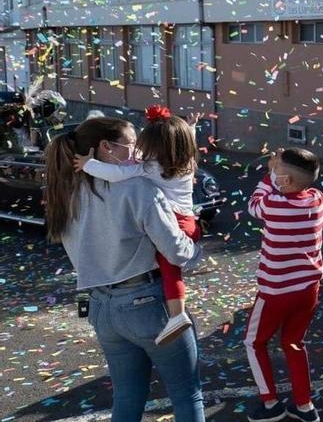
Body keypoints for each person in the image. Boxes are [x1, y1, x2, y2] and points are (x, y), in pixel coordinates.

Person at [44, 117, 204, 421]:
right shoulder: (139, 189)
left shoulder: (65, 190)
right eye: (131, 145)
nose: (139, 153)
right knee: (187, 394)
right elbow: (177, 252)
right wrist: (198, 246)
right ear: (107, 147)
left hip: (100, 306)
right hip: (147, 304)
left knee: (127, 397)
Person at [73, 105, 202, 345]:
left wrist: (88, 165)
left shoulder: (145, 170)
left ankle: (177, 314)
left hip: (102, 298)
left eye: (141, 145)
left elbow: (115, 173)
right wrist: (191, 129)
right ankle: (178, 314)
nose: (137, 152)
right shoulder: (185, 162)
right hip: (185, 222)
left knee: (168, 266)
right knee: (171, 265)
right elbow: (178, 252)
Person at [244, 147, 323, 422]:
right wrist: (279, 170)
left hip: (275, 291)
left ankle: (271, 405)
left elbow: (254, 203)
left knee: (254, 342)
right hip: (308, 288)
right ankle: (304, 406)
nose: (273, 173)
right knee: (293, 342)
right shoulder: (317, 199)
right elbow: (293, 186)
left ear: (286, 182)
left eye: (277, 171)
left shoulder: (272, 205)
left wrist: (268, 177)